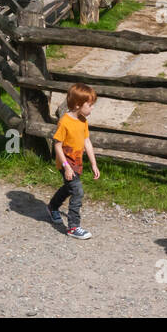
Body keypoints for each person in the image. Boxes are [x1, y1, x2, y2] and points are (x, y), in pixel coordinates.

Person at [46, 83, 100, 240]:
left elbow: (87, 142)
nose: (92, 108)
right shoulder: (65, 122)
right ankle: (73, 227)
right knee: (77, 191)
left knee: (69, 188)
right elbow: (57, 145)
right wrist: (66, 167)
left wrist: (94, 163)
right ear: (78, 105)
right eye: (90, 105)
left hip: (77, 162)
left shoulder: (83, 121)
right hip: (66, 163)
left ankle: (52, 207)